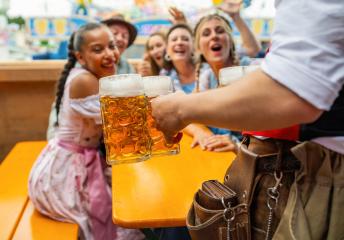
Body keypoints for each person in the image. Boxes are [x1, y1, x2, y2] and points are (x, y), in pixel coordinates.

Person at [152, 0, 344, 239]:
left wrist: (180, 110)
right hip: (287, 167)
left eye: (220, 31)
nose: (214, 37)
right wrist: (198, 127)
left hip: (320, 170)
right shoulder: (204, 75)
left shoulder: (245, 66)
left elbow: (291, 92)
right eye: (206, 34)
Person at [29, 23, 144, 240]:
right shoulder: (85, 80)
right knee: (114, 217)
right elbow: (126, 123)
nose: (110, 54)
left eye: (112, 46)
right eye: (98, 49)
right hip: (64, 174)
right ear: (81, 57)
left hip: (74, 163)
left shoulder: (89, 75)